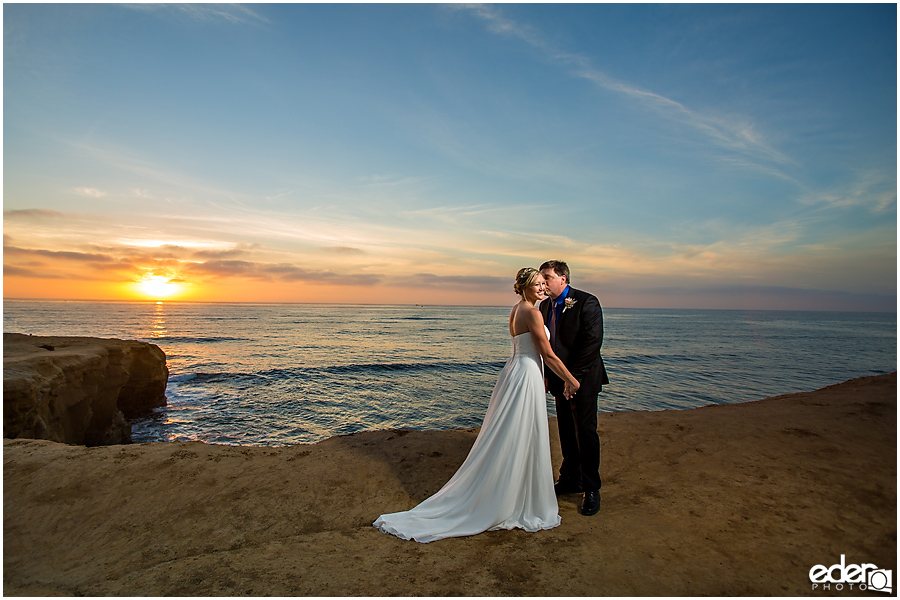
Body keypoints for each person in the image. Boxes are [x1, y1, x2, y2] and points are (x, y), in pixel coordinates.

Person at [373, 267, 581, 543]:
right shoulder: (532, 313)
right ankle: (513, 497)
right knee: (520, 433)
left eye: (544, 284)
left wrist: (542, 376)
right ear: (523, 288)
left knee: (516, 433)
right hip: (525, 373)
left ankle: (514, 490)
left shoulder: (517, 309)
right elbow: (547, 353)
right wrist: (571, 379)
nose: (542, 289)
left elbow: (530, 350)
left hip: (518, 370)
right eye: (536, 285)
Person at [539, 260, 608, 517]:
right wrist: (549, 376)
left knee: (586, 433)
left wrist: (573, 378)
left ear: (563, 279)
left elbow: (592, 342)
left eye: (547, 277)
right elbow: (547, 347)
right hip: (559, 380)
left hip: (584, 380)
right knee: (566, 431)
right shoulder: (544, 306)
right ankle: (569, 479)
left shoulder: (587, 302)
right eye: (541, 278)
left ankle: (591, 488)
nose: (543, 282)